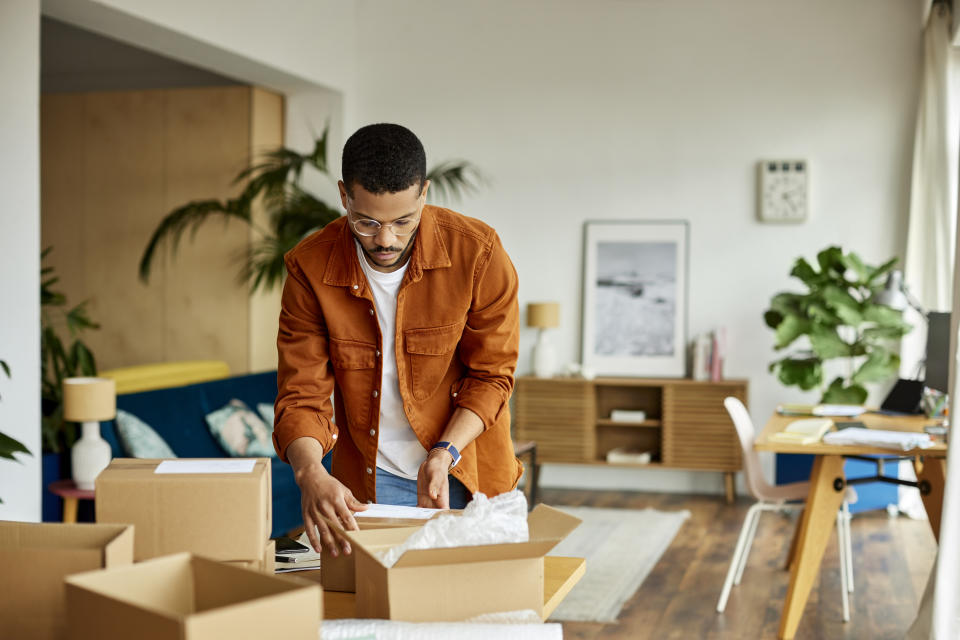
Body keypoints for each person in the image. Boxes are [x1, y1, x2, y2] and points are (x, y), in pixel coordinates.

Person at [272, 123, 522, 555]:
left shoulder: (478, 253)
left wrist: (444, 454)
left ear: (423, 194)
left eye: (403, 221)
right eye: (366, 222)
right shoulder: (309, 269)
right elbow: (301, 395)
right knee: (371, 613)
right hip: (366, 484)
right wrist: (310, 472)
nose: (385, 239)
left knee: (471, 607)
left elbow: (492, 375)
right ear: (344, 196)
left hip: (467, 469)